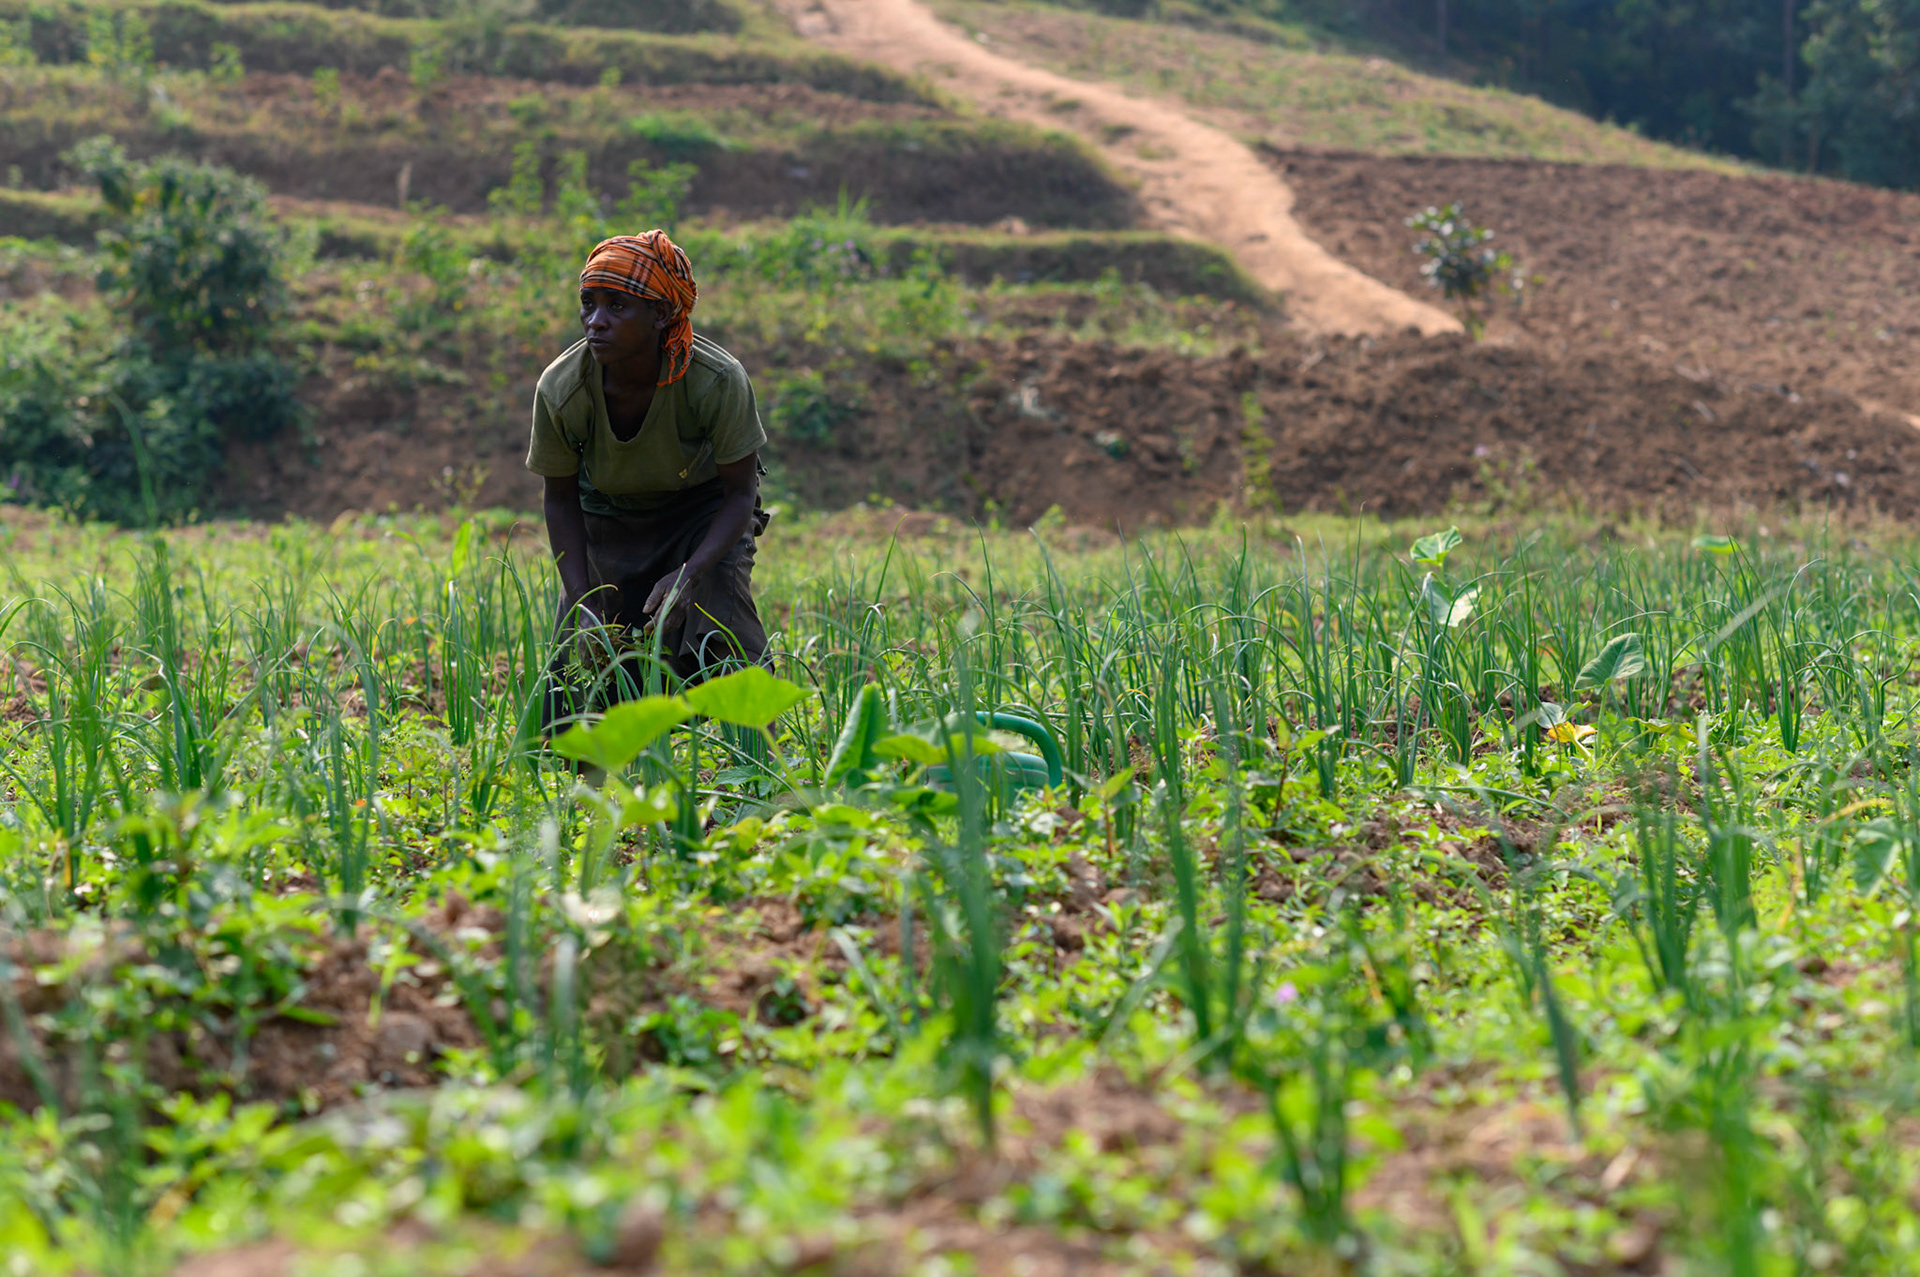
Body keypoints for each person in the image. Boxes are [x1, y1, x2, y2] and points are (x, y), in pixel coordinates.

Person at [525, 230, 769, 717]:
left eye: (616, 307)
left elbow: (741, 495)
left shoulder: (716, 380)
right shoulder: (562, 387)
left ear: (660, 315)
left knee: (725, 640)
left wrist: (692, 572)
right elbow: (559, 499)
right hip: (608, 518)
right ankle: (585, 786)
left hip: (703, 514)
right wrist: (582, 601)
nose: (595, 322)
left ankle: (759, 776)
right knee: (579, 683)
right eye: (587, 304)